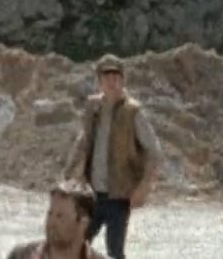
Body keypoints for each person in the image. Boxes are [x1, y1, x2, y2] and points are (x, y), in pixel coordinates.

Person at [64, 54, 161, 259]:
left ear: (123, 80)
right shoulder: (93, 107)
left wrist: (144, 187)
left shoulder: (132, 112)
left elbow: (154, 151)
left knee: (114, 251)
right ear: (99, 81)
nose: (111, 82)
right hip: (91, 193)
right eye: (106, 78)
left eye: (116, 77)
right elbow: (83, 140)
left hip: (119, 196)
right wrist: (68, 173)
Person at [4, 181, 109, 259]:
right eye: (50, 214)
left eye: (60, 216)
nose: (51, 222)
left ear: (83, 221)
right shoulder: (21, 256)